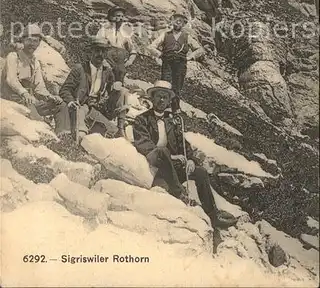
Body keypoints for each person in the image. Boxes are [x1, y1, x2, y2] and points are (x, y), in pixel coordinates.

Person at [133, 80, 237, 232]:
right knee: (163, 152)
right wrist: (172, 157)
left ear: (169, 101)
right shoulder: (142, 119)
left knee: (200, 173)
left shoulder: (173, 122)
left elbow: (184, 145)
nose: (161, 100)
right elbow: (143, 144)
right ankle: (179, 192)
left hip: (171, 168)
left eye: (165, 97)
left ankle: (213, 215)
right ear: (152, 98)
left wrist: (191, 160)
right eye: (159, 96)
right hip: (156, 162)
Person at [56, 37, 129, 140]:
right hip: (80, 107)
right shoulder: (79, 69)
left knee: (113, 132)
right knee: (81, 134)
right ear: (91, 52)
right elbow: (64, 90)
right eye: (97, 50)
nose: (100, 54)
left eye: (103, 51)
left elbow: (112, 92)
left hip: (96, 109)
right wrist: (71, 101)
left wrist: (116, 91)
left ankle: (121, 129)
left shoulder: (107, 72)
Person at [1, 24, 62, 120]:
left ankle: (63, 133)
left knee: (59, 105)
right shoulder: (13, 56)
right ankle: (42, 124)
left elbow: (39, 87)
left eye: (35, 41)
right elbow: (11, 79)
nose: (32, 44)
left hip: (30, 100)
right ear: (23, 40)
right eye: (29, 40)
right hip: (12, 98)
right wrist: (24, 93)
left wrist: (49, 96)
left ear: (39, 43)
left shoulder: (35, 62)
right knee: (34, 114)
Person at [148, 12, 204, 113]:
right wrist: (160, 54)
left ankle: (175, 109)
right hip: (167, 63)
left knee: (177, 86)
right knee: (165, 84)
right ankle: (162, 107)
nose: (178, 22)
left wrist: (190, 57)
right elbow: (151, 46)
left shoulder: (187, 37)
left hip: (181, 64)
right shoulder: (165, 35)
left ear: (183, 24)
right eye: (176, 20)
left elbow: (200, 50)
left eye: (181, 21)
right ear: (172, 21)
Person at [96, 6, 137, 83]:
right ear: (111, 17)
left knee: (118, 86)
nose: (121, 18)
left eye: (122, 16)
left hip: (120, 65)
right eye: (118, 16)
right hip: (106, 62)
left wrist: (129, 61)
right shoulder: (104, 30)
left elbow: (133, 50)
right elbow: (97, 48)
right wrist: (103, 61)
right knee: (103, 83)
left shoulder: (125, 32)